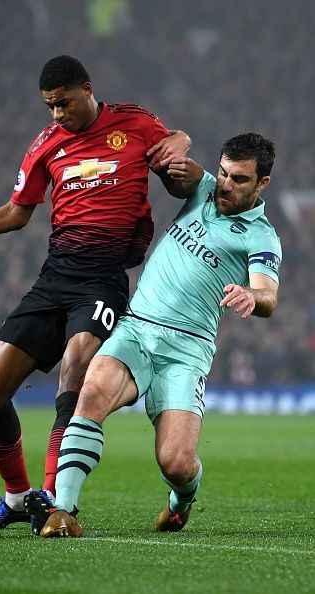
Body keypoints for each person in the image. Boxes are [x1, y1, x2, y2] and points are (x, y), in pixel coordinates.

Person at [0, 55, 190, 534]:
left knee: (76, 367)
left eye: (63, 103)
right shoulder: (46, 144)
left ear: (87, 89)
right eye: (49, 106)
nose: (57, 114)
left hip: (104, 280)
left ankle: (56, 499)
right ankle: (19, 499)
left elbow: (173, 141)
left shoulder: (134, 122)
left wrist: (179, 142)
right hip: (54, 279)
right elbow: (18, 212)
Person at [37, 132, 282, 537]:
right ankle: (63, 510)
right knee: (93, 389)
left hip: (187, 350)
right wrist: (179, 145)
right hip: (137, 327)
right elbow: (179, 165)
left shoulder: (261, 236)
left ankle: (181, 501)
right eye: (223, 173)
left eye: (239, 180)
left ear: (262, 184)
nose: (225, 185)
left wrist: (251, 294)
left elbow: (269, 296)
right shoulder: (204, 188)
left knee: (177, 464)